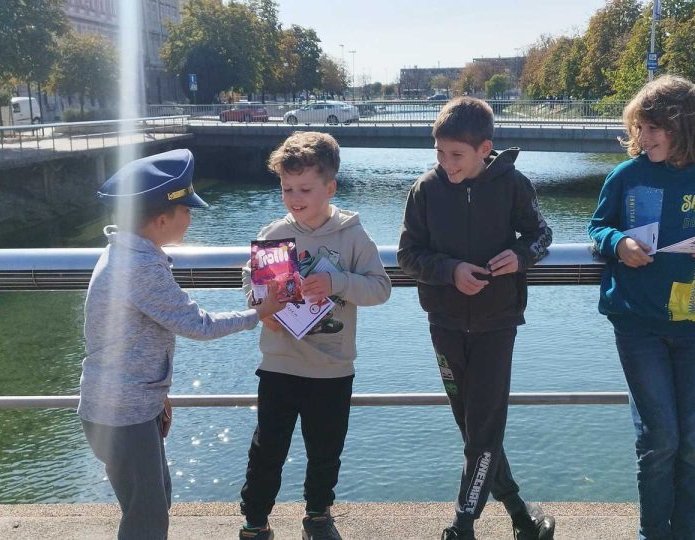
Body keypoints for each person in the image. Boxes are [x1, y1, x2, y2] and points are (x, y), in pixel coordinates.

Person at [79, 148, 285, 540]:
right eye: (185, 211)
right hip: (124, 413)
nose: (191, 218)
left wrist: (157, 396)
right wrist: (259, 312)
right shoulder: (139, 267)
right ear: (161, 220)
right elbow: (198, 325)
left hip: (126, 404)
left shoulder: (127, 253)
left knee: (153, 501)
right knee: (147, 517)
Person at [587, 75, 695, 540]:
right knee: (660, 440)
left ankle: (686, 532)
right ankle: (653, 533)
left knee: (692, 444)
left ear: (685, 126)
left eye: (653, 128)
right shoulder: (626, 175)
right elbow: (598, 227)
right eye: (638, 128)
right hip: (636, 322)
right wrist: (618, 244)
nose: (643, 137)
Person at [398, 97, 556, 540]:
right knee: (474, 429)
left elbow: (542, 234)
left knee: (482, 430)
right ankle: (521, 517)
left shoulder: (514, 185)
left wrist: (521, 256)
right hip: (444, 325)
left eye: (456, 155)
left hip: (497, 324)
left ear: (485, 149)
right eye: (439, 153)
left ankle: (462, 525)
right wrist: (450, 271)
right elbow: (407, 255)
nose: (446, 164)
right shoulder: (425, 190)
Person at [238, 132, 392, 540]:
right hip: (279, 364)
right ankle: (255, 520)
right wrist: (262, 308)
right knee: (266, 450)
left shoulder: (352, 235)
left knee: (325, 452)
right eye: (287, 188)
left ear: (330, 188)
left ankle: (318, 514)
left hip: (332, 368)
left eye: (305, 189)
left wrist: (337, 282)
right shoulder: (273, 233)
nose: (294, 198)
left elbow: (380, 288)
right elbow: (250, 280)